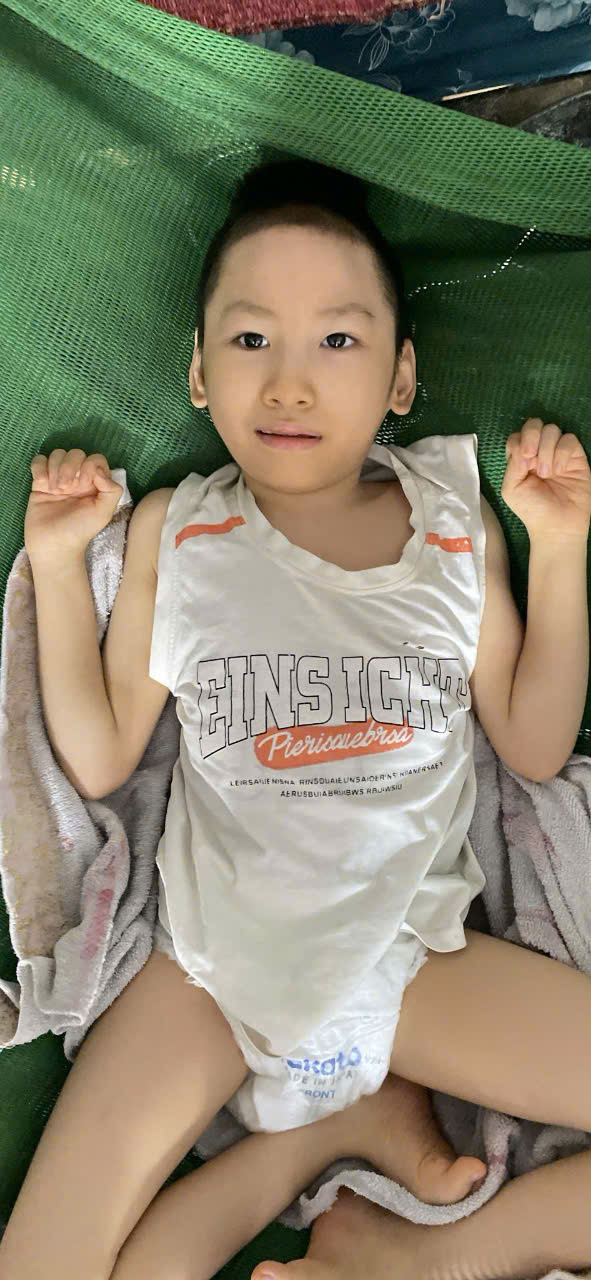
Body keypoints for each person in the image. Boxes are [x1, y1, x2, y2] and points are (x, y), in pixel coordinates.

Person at [3, 158, 590, 1280]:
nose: (288, 383)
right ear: (197, 371)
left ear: (401, 375)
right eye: (250, 339)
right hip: (214, 970)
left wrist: (557, 550)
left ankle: (424, 1257)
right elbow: (102, 751)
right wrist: (61, 562)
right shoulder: (181, 528)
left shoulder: (451, 519)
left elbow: (531, 742)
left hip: (410, 962)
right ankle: (304, 1146)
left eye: (336, 340)